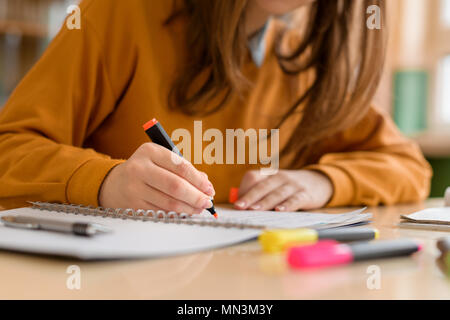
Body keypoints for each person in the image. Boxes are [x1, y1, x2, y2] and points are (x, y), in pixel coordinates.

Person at [0, 0, 431, 213]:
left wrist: (322, 182)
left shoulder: (303, 64)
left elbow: (409, 167)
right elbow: (9, 149)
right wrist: (105, 182)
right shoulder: (118, 14)